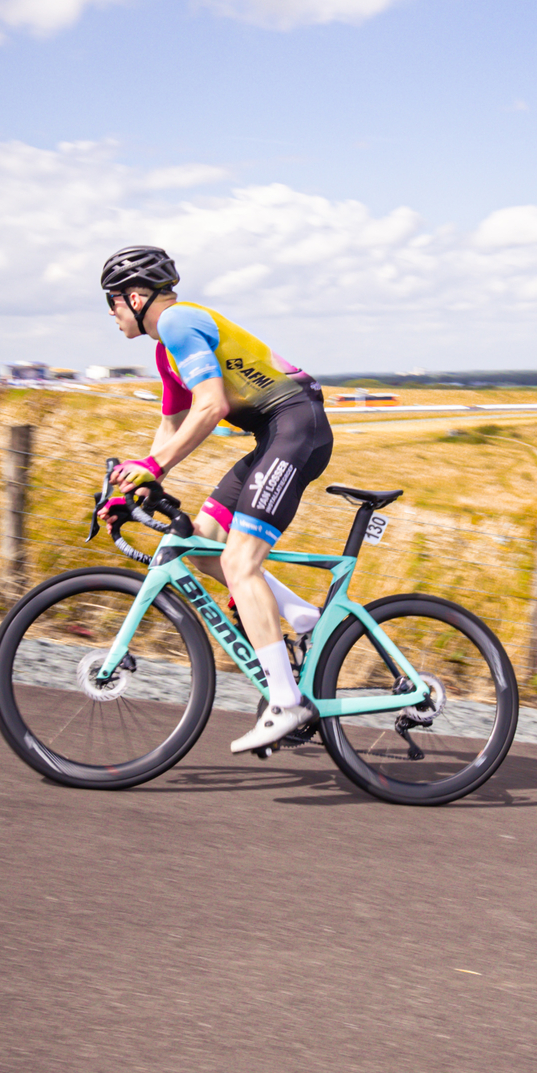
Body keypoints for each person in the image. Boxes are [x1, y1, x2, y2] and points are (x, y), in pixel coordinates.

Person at [97, 244, 334, 752]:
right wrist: (138, 483)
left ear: (136, 297)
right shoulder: (167, 350)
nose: (112, 315)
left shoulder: (180, 323)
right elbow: (172, 422)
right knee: (203, 546)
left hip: (294, 428)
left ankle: (285, 702)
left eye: (112, 303)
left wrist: (154, 468)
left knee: (240, 562)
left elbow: (212, 407)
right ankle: (301, 618)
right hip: (274, 434)